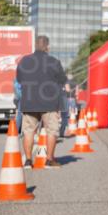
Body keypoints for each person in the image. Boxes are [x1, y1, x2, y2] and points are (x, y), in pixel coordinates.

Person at [15, 35, 67, 168]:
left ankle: (28, 161)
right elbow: (62, 80)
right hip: (49, 103)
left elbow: (19, 80)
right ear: (47, 47)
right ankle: (49, 160)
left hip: (29, 102)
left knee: (28, 131)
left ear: (35, 46)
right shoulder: (54, 62)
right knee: (51, 131)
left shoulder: (24, 61)